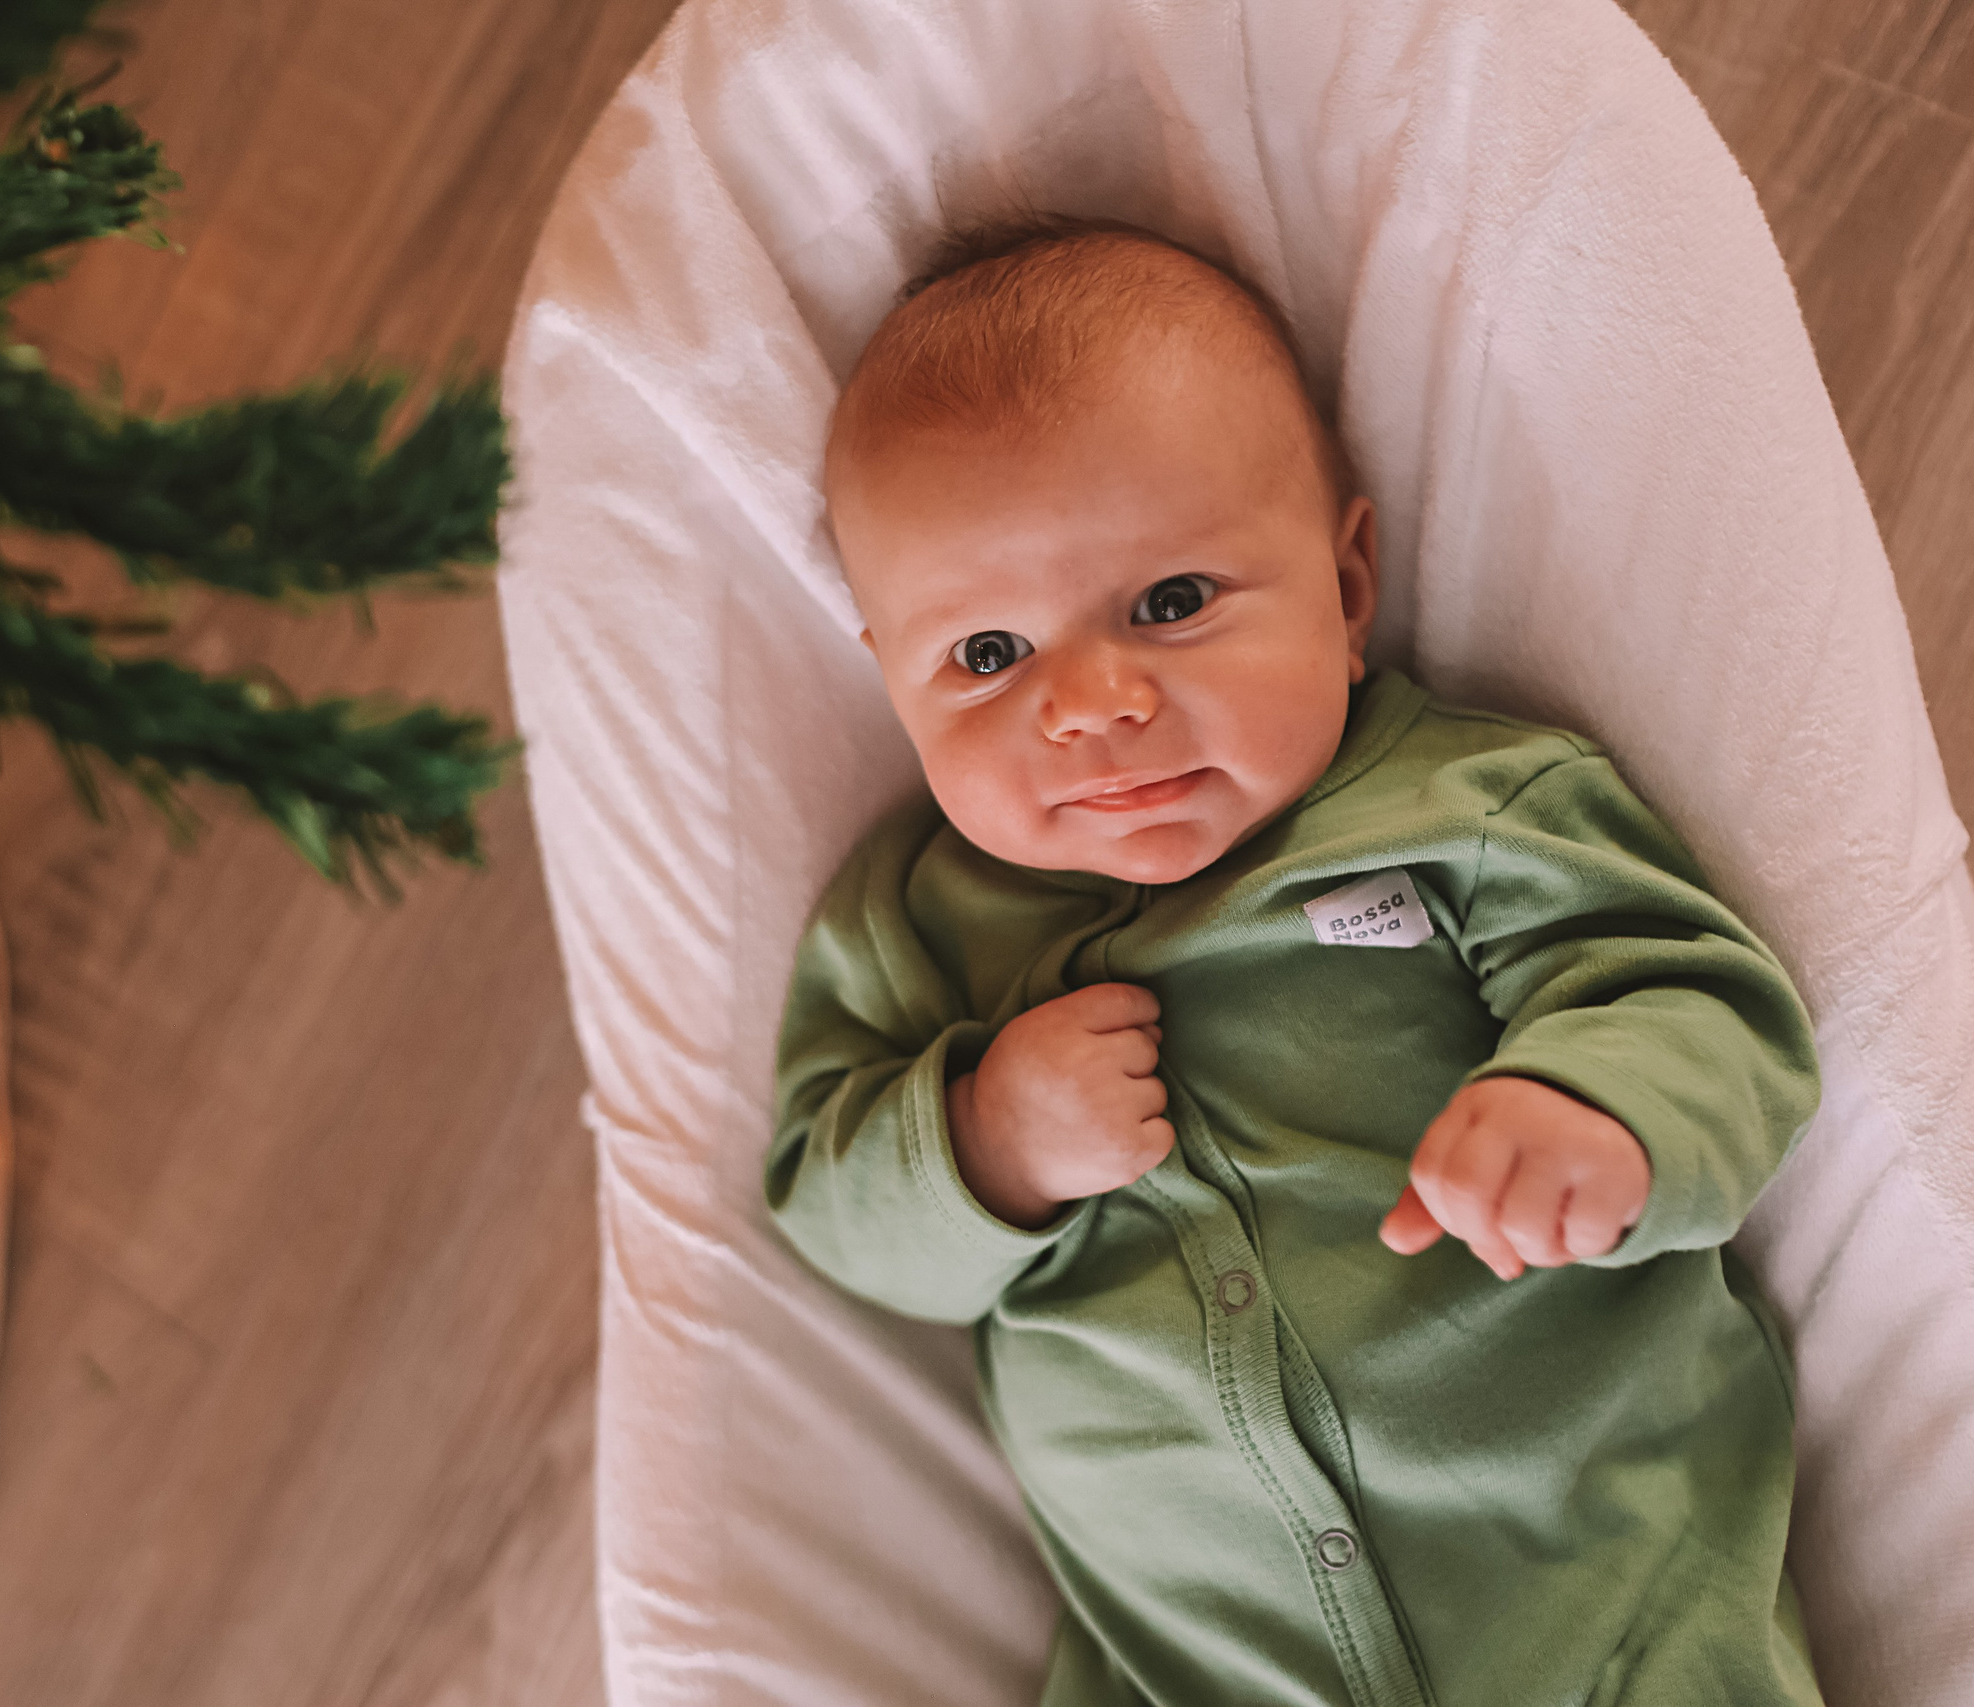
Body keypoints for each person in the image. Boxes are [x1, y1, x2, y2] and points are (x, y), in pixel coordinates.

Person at [766, 219, 1824, 1706]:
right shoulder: (915, 928)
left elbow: (1704, 1003)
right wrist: (983, 1143)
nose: (1088, 704)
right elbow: (830, 1205)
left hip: (1605, 1599)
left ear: (1348, 580)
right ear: (888, 672)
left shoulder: (1464, 805)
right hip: (1194, 1665)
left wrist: (1601, 1113)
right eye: (988, 657)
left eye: (1171, 602)